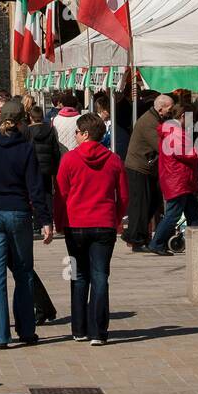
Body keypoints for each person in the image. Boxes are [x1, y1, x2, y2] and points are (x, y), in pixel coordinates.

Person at [0, 98, 53, 348]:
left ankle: (1, 335)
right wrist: (45, 219)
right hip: (17, 212)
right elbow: (35, 188)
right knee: (24, 272)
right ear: (21, 121)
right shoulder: (26, 148)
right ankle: (26, 330)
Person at [55, 112, 129, 345]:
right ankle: (97, 331)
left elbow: (60, 195)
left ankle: (79, 328)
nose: (75, 136)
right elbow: (124, 196)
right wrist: (115, 219)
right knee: (100, 276)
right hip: (103, 224)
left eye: (76, 132)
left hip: (75, 225)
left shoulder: (69, 159)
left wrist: (59, 222)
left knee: (78, 275)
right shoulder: (114, 159)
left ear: (85, 134)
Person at [148, 105, 198, 256]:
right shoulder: (175, 132)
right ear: (183, 116)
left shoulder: (173, 131)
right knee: (173, 214)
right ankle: (157, 243)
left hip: (180, 179)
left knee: (193, 213)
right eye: (191, 118)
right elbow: (186, 153)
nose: (193, 122)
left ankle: (197, 244)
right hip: (178, 179)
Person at [124, 94, 173, 251]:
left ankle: (135, 235)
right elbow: (161, 146)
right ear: (160, 108)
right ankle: (136, 239)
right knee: (141, 204)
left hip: (146, 167)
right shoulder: (149, 122)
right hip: (138, 167)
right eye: (169, 109)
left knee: (152, 200)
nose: (170, 112)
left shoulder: (156, 119)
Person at [27, 103, 61, 234]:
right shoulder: (50, 129)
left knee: (35, 194)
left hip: (33, 167)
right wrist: (55, 166)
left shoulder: (28, 131)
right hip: (47, 167)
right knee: (47, 194)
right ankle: (49, 222)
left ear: (31, 117)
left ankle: (36, 224)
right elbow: (55, 150)